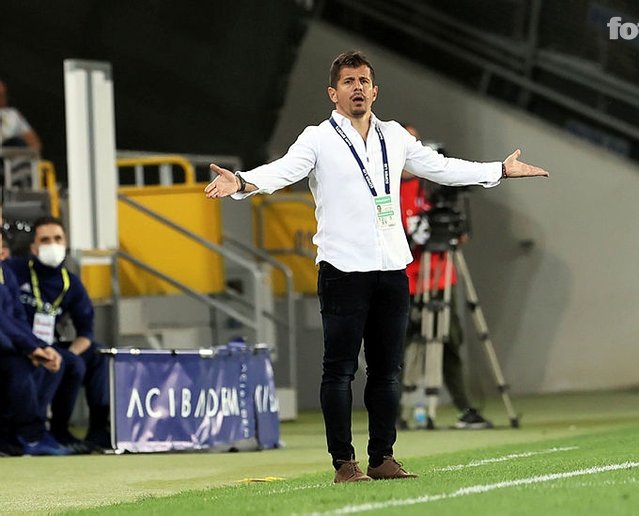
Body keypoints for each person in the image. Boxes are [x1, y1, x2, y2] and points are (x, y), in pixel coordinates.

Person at [205, 50, 548, 483]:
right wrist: (242, 182)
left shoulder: (395, 136)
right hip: (342, 269)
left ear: (375, 90)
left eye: (364, 81)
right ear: (333, 93)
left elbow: (440, 168)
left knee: (387, 372)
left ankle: (382, 457)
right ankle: (344, 463)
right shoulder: (317, 139)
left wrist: (498, 170)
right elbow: (283, 171)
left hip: (391, 268)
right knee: (340, 370)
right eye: (348, 82)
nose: (358, 88)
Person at [399, 124, 492, 430]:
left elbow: (457, 230)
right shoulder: (386, 188)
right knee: (399, 346)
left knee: (449, 341)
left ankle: (464, 408)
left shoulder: (432, 185)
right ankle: (393, 412)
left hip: (439, 277)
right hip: (405, 280)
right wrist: (412, 236)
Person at [7, 216, 111, 451]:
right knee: (69, 363)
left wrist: (70, 353)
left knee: (97, 355)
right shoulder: (15, 270)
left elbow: (86, 332)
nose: (52, 245)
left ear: (65, 243)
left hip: (52, 343)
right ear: (33, 247)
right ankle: (51, 430)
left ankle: (97, 430)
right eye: (45, 240)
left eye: (57, 239)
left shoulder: (70, 282)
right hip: (22, 341)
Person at [0, 218, 69, 456]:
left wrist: (40, 346)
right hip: (6, 347)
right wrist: (30, 348)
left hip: (11, 344)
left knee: (51, 363)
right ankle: (30, 435)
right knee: (20, 366)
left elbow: (18, 317)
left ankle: (26, 434)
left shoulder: (6, 274)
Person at [0, 79, 42, 150]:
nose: (2, 99)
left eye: (3, 95)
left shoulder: (13, 115)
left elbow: (36, 144)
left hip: (11, 154)